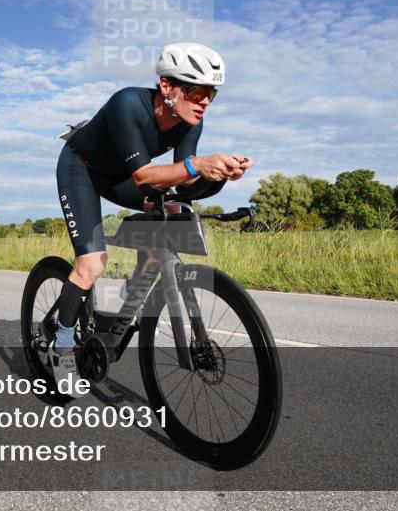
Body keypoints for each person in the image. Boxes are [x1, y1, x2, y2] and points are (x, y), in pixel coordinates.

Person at [48, 42, 254, 390]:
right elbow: (145, 176)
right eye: (198, 91)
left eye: (211, 94)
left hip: (121, 178)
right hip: (81, 169)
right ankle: (62, 343)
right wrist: (197, 165)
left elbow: (180, 179)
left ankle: (134, 290)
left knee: (168, 211)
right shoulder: (127, 103)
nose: (205, 101)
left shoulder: (191, 122)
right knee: (92, 265)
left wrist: (214, 176)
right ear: (166, 87)